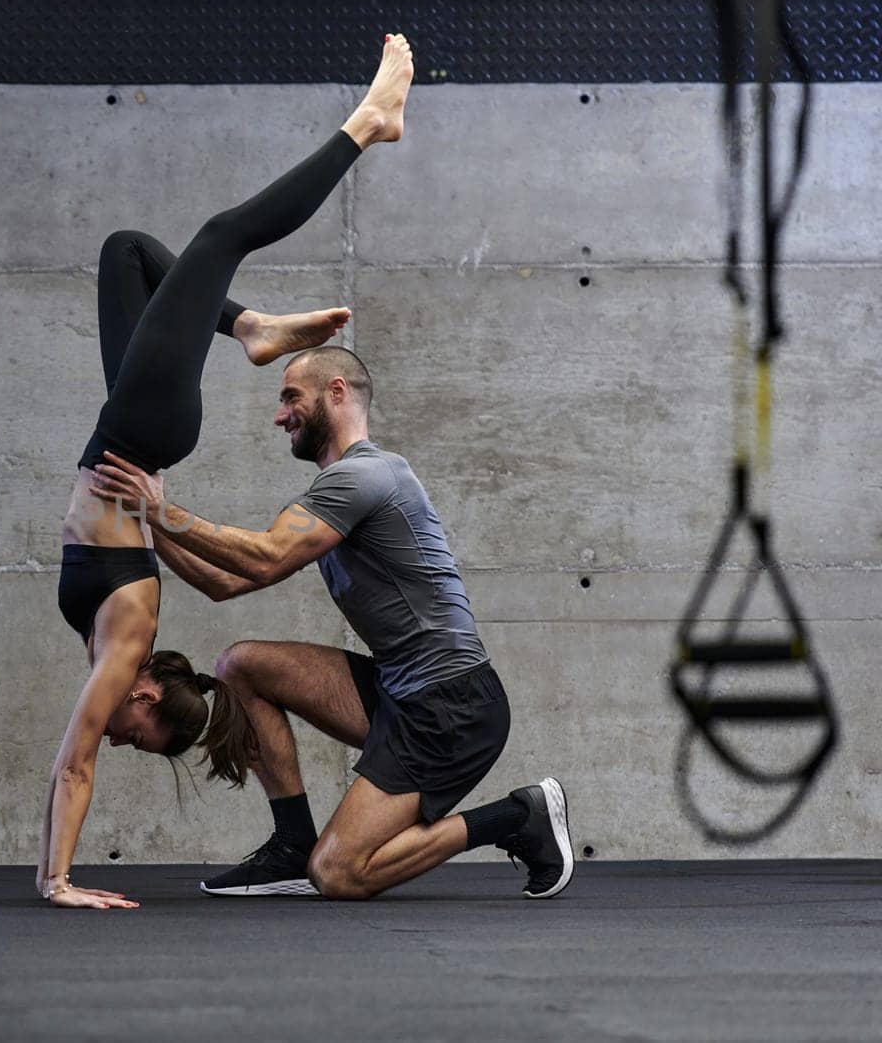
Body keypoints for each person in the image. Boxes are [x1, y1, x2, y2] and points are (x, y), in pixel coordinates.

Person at [37, 35, 416, 910]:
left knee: (126, 251)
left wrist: (160, 519)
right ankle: (368, 124)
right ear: (145, 693)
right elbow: (75, 759)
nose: (119, 734)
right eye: (140, 730)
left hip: (125, 431)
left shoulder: (108, 640)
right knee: (217, 235)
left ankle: (248, 328)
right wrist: (56, 879)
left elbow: (86, 747)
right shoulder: (125, 640)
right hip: (144, 429)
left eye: (127, 736)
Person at [88, 343, 575, 900]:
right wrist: (145, 521)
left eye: (291, 396)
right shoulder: (341, 490)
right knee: (242, 665)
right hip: (401, 690)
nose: (279, 415)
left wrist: (160, 511)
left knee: (340, 873)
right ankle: (292, 844)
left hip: (452, 707)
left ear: (336, 392)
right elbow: (223, 583)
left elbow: (265, 555)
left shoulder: (367, 476)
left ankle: (519, 816)